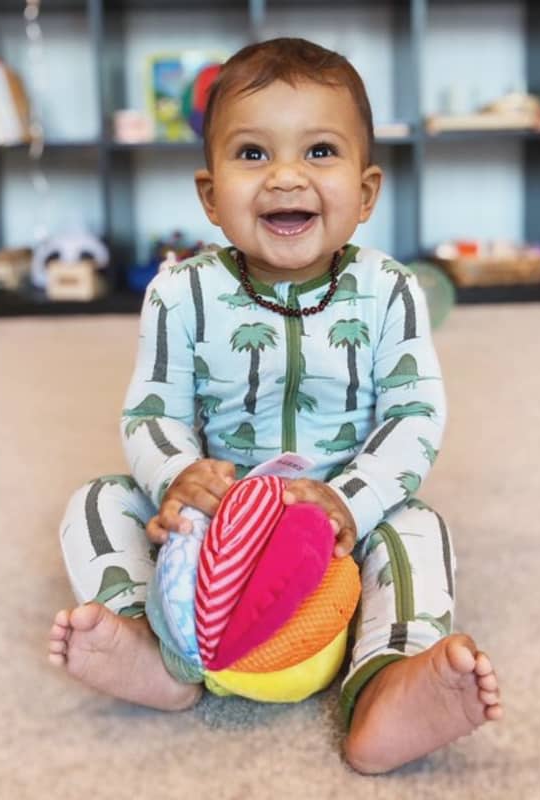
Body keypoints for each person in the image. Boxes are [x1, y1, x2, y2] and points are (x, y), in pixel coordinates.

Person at [48, 37, 502, 774]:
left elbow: (414, 416)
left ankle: (388, 681)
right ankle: (148, 642)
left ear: (366, 192)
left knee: (418, 529)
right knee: (95, 502)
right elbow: (151, 410)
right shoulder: (180, 291)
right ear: (209, 194)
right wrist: (178, 477)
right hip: (210, 527)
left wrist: (351, 503)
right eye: (253, 154)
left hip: (337, 530)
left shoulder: (390, 291)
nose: (285, 176)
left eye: (320, 152)